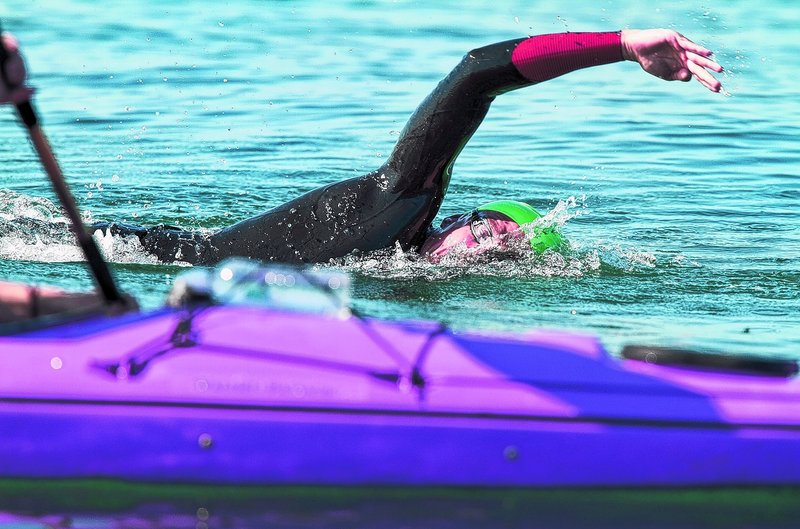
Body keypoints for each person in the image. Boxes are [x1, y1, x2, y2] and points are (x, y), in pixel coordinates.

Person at [3, 28, 723, 274]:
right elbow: (477, 72)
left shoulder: (398, 266)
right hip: (162, 256)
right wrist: (622, 46)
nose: (495, 246)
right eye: (496, 230)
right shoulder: (403, 196)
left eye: (506, 251)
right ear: (460, 217)